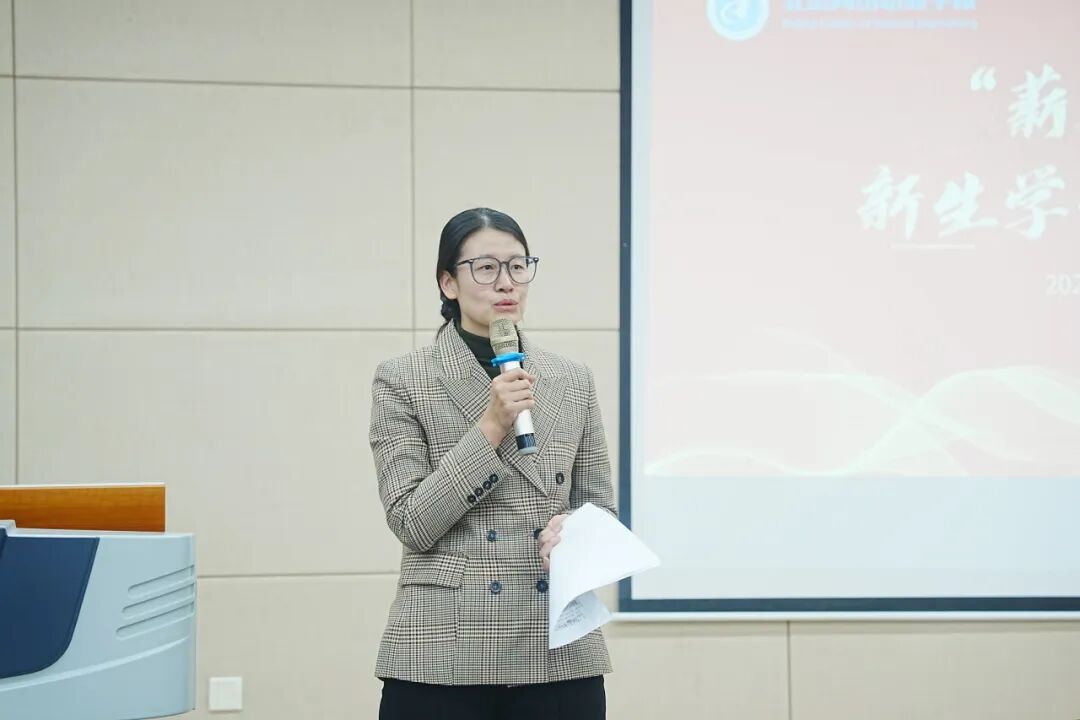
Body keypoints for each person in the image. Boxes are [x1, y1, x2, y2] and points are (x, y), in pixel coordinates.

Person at [369, 207, 617, 719]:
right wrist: (491, 427)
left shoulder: (571, 379)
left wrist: (574, 533)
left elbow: (600, 507)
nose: (506, 282)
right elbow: (411, 521)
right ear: (448, 283)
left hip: (556, 644)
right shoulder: (403, 379)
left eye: (518, 266)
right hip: (443, 647)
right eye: (485, 268)